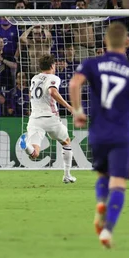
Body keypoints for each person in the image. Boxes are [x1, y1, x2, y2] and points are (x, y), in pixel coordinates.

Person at [68, 22, 129, 248]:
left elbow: (74, 84)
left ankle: (101, 202)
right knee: (118, 181)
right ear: (126, 42)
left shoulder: (93, 63)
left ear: (105, 41)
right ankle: (107, 231)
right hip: (121, 133)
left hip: (98, 133)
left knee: (103, 176)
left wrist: (78, 112)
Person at [19, 54, 76, 183]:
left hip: (35, 118)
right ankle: (67, 175)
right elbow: (52, 91)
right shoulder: (53, 78)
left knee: (34, 154)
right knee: (66, 142)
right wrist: (68, 107)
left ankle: (26, 146)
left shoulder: (34, 78)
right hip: (50, 118)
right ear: (52, 66)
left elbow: (31, 95)